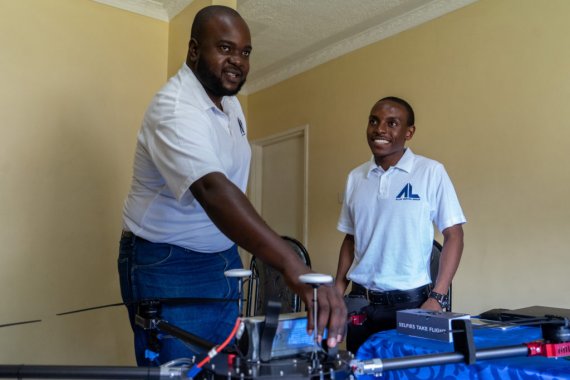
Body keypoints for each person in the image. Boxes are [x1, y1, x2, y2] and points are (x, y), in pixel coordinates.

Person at [118, 5, 346, 366]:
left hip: (221, 257)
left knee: (225, 363)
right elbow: (212, 189)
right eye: (225, 48)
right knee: (185, 369)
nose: (237, 61)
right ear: (194, 50)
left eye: (245, 52)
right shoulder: (175, 108)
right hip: (168, 262)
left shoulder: (232, 105)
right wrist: (291, 265)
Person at [334, 96, 466, 354]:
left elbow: (454, 234)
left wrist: (437, 297)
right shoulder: (355, 177)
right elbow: (351, 238)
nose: (380, 129)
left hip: (411, 304)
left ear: (409, 132)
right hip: (360, 302)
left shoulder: (430, 171)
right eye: (374, 121)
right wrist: (338, 287)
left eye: (392, 123)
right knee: (358, 370)